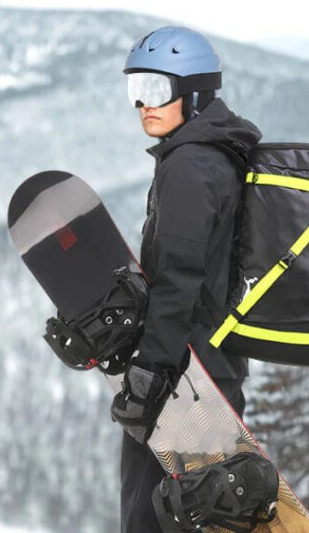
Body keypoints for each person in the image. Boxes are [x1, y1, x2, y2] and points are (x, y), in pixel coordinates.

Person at [109, 26, 263, 532]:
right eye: (136, 90)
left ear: (194, 92)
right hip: (212, 369)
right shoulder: (213, 153)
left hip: (184, 381)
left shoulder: (191, 166)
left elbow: (179, 279)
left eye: (156, 90)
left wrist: (149, 373)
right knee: (193, 516)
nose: (143, 106)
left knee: (150, 517)